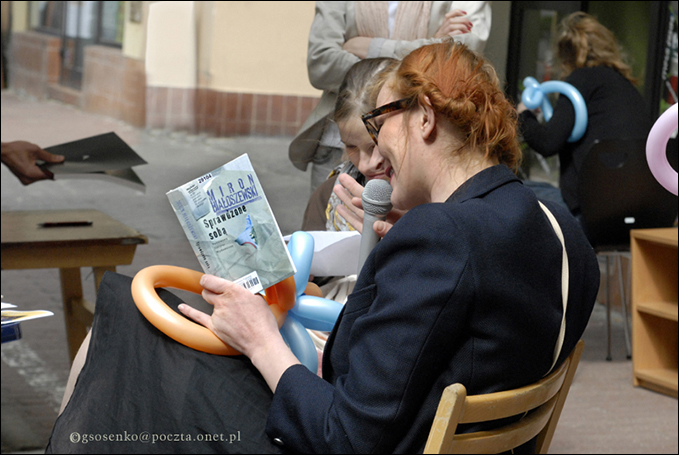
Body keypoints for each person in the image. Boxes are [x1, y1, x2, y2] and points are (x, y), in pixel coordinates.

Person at [49, 41, 599, 454]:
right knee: (149, 326)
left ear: (426, 117)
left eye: (379, 122)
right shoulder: (558, 227)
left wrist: (262, 340)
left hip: (332, 437)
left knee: (127, 318)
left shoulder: (441, 237)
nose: (375, 148)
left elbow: (346, 437)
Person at [290, 1, 492, 193]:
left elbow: (463, 54)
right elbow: (321, 62)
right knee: (331, 213)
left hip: (416, 147)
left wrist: (370, 47)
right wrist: (431, 47)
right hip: (343, 144)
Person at [518, 11, 653, 218]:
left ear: (566, 56)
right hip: (637, 206)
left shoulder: (580, 80)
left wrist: (523, 115)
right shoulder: (626, 87)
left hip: (591, 211)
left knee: (509, 193)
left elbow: (547, 142)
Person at [302, 57, 397, 232]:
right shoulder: (327, 195)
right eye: (351, 147)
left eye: (375, 145)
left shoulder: (437, 200)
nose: (365, 165)